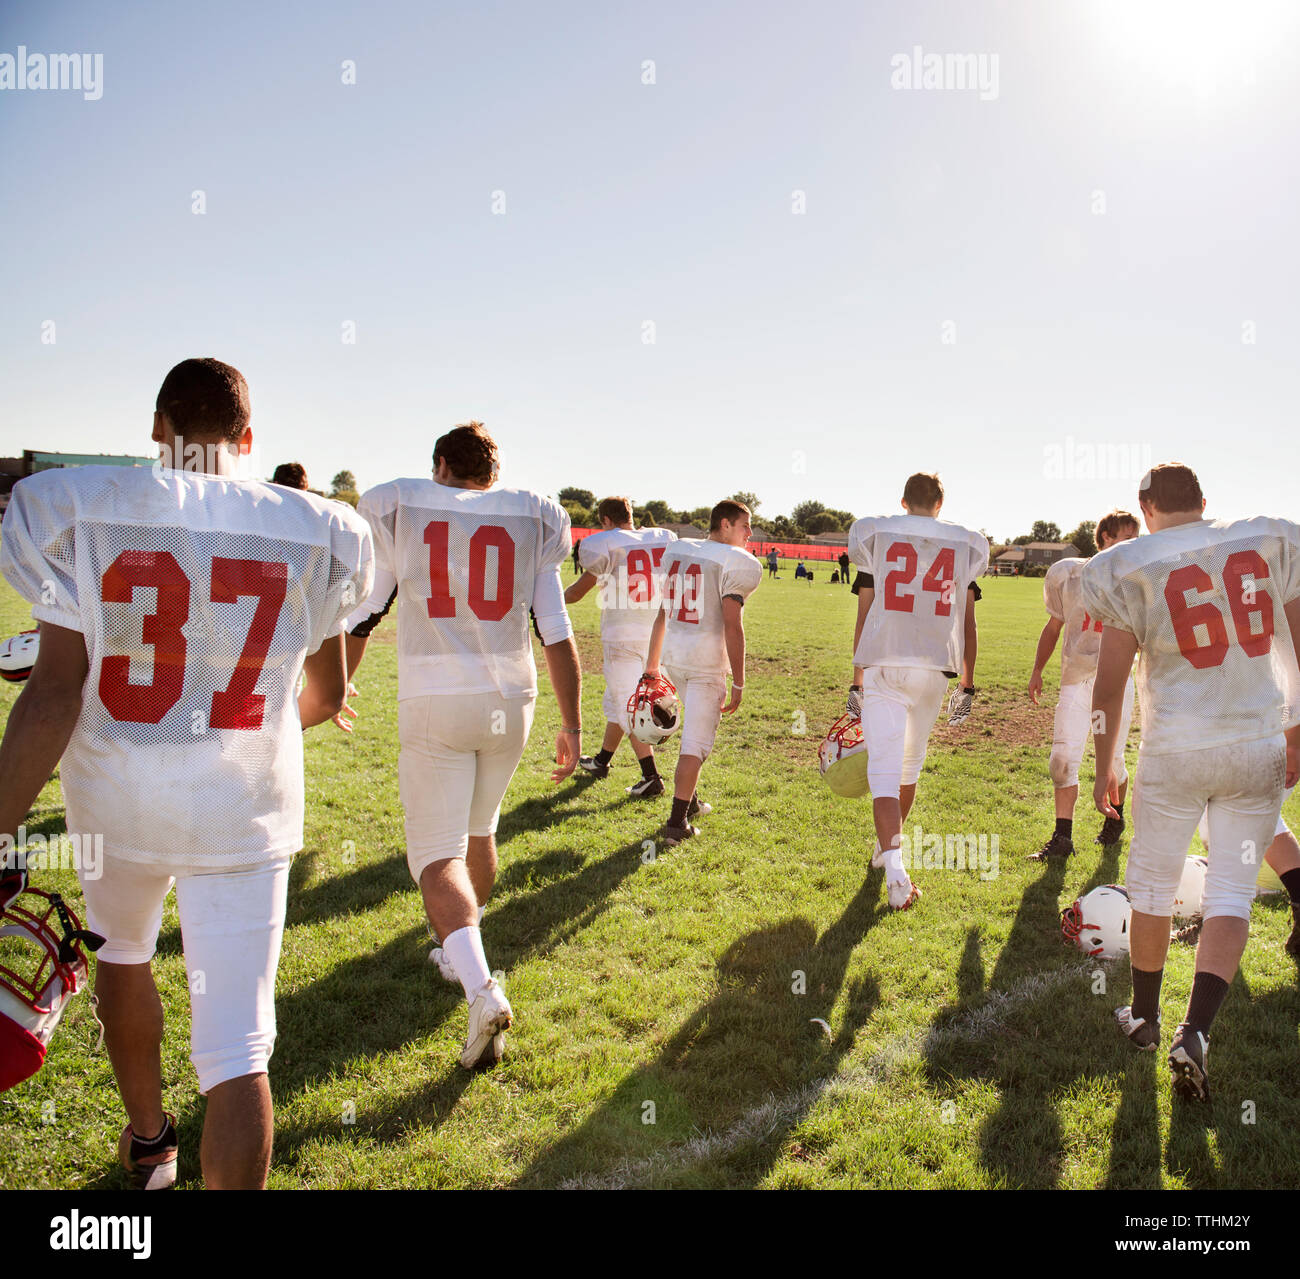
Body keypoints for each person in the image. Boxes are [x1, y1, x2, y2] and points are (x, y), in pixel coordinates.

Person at [0, 357, 373, 1189]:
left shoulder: (81, 508)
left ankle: (150, 1140)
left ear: (158, 433)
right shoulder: (319, 526)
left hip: (117, 802)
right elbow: (326, 696)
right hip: (242, 808)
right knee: (239, 1052)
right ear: (247, 440)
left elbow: (56, 690)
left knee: (124, 956)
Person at [343, 422, 581, 1070]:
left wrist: (335, 684)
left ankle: (481, 987)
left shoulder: (403, 507)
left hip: (437, 700)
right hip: (513, 699)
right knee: (481, 832)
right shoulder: (529, 516)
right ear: (492, 474)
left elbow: (364, 614)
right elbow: (555, 630)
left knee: (434, 857)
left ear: (441, 465)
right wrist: (575, 723)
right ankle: (461, 953)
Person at [1083, 463, 1300, 1101]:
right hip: (1255, 742)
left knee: (1150, 890)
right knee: (1231, 896)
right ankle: (1195, 1029)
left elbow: (1111, 682)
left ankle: (1146, 1018)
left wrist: (1105, 759)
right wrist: (1296, 729)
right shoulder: (1265, 540)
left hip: (1177, 749)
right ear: (1204, 502)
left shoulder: (1127, 563)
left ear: (1144, 507)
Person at [845, 472, 989, 911]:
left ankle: (895, 868)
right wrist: (967, 681)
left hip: (886, 661)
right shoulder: (966, 543)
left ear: (903, 501)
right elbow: (967, 620)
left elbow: (865, 609)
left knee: (885, 771)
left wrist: (855, 677)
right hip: (934, 666)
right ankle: (888, 852)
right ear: (940, 504)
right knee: (908, 767)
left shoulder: (874, 532)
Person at [643, 500, 762, 846]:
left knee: (692, 734)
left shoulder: (679, 550)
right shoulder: (737, 562)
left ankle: (690, 801)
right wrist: (739, 680)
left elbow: (664, 611)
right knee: (695, 744)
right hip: (705, 663)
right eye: (745, 525)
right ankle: (676, 823)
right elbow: (732, 623)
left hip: (675, 658)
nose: (750, 533)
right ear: (724, 524)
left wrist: (653, 663)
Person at [1026, 510, 1140, 860]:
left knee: (1115, 762)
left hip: (1118, 679)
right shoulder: (1070, 574)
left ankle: (1116, 821)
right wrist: (1037, 670)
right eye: (1126, 537)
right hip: (1077, 677)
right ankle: (1062, 838)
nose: (1133, 545)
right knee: (1062, 758)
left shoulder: (1139, 580)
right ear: (1104, 537)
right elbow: (1053, 627)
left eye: (1137, 538)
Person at [564, 496, 676, 796]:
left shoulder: (606, 543)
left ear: (605, 520)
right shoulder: (660, 537)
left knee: (631, 705)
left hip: (622, 637)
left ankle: (651, 777)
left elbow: (576, 593)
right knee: (618, 700)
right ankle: (602, 761)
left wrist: (544, 601)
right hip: (657, 633)